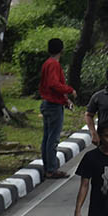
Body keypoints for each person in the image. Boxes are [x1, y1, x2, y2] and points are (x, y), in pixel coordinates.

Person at [39, 37, 76, 179]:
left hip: (48, 103)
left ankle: (48, 166)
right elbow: (54, 84)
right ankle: (51, 169)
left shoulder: (47, 63)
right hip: (53, 105)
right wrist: (69, 90)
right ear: (62, 50)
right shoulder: (54, 65)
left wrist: (65, 100)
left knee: (47, 138)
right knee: (53, 139)